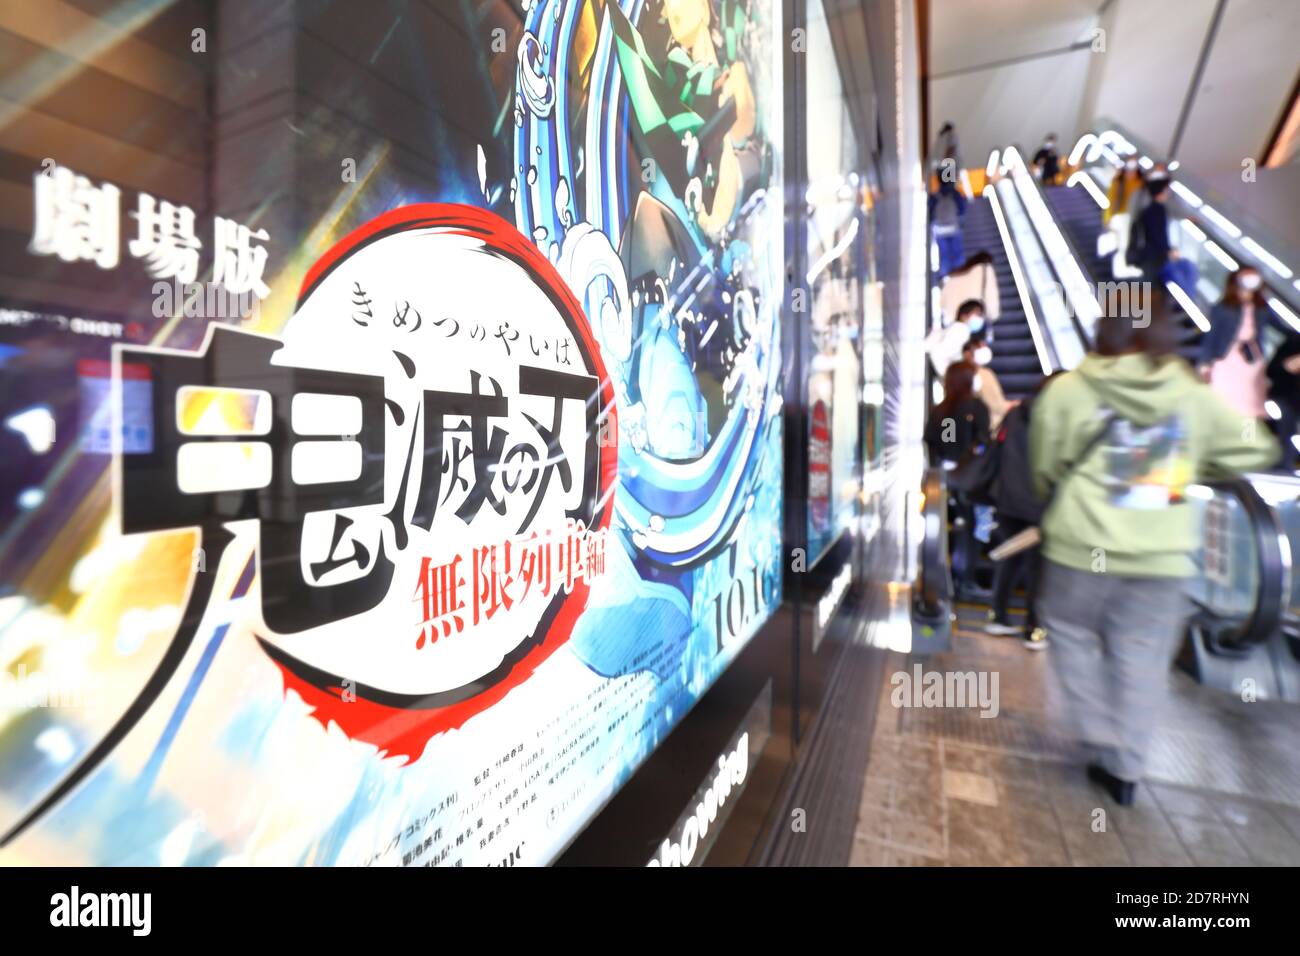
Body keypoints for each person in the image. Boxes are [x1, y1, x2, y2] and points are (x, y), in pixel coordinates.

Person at [1030, 293, 1279, 806]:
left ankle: (1096, 728)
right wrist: (1195, 463)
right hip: (1161, 556)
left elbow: (1045, 465)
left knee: (1070, 628)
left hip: (1082, 545)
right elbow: (1258, 448)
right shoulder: (1190, 396)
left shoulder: (1072, 389)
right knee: (1141, 655)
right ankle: (1125, 768)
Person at [985, 373, 1059, 647]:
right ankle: (1034, 628)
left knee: (1010, 558)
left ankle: (998, 616)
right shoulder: (1058, 418)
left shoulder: (1015, 414)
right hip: (1039, 504)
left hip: (1007, 500)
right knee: (1038, 568)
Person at [926, 360, 989, 598]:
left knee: (945, 527)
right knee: (971, 528)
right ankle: (966, 579)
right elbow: (983, 441)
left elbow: (933, 442)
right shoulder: (975, 407)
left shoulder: (940, 409)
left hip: (942, 479)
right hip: (970, 480)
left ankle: (943, 579)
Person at [1199, 266, 1282, 420]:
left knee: (1249, 404)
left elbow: (1282, 328)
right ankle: (1222, 439)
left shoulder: (1262, 308)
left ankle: (1247, 440)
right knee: (1222, 401)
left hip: (1251, 359)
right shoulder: (1223, 308)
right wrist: (1204, 363)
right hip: (1227, 359)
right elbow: (1212, 337)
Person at [1129, 170, 1176, 286]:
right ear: (1161, 191)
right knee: (1150, 286)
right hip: (1154, 256)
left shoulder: (1150, 209)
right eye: (1167, 189)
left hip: (1148, 255)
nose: (1168, 192)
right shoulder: (1158, 210)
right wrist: (1168, 250)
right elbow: (1157, 235)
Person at [940, 251, 1000, 336]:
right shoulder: (986, 269)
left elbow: (942, 302)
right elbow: (992, 305)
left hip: (956, 323)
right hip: (968, 322)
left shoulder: (954, 276)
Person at [963, 333, 1011, 431]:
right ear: (968, 354)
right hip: (990, 427)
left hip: (994, 423)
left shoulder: (986, 373)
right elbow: (997, 406)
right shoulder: (971, 375)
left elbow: (998, 403)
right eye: (980, 347)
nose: (984, 349)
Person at [1267, 330, 1300, 471]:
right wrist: (1287, 365)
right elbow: (1272, 370)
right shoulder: (1294, 342)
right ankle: (1283, 464)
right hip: (1287, 398)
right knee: (1286, 421)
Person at [925, 298, 985, 375]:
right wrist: (953, 377)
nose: (980, 319)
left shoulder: (958, 329)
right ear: (964, 315)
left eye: (981, 315)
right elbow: (939, 354)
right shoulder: (961, 330)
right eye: (978, 314)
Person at [929, 178, 966, 279]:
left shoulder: (935, 196)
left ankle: (945, 276)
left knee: (944, 254)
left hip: (939, 230)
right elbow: (962, 209)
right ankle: (960, 275)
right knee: (957, 253)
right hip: (954, 228)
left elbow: (930, 214)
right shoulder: (955, 194)